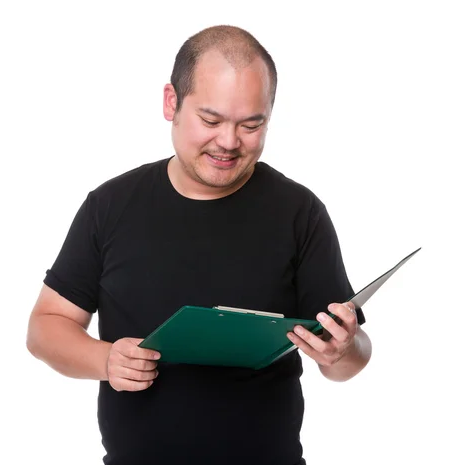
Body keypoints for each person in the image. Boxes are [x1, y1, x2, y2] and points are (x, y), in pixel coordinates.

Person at [26, 24, 372, 465]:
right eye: (211, 120)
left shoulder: (300, 212)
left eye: (252, 124)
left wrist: (343, 350)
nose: (229, 142)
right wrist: (104, 358)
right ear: (171, 102)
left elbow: (347, 360)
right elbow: (44, 327)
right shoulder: (109, 206)